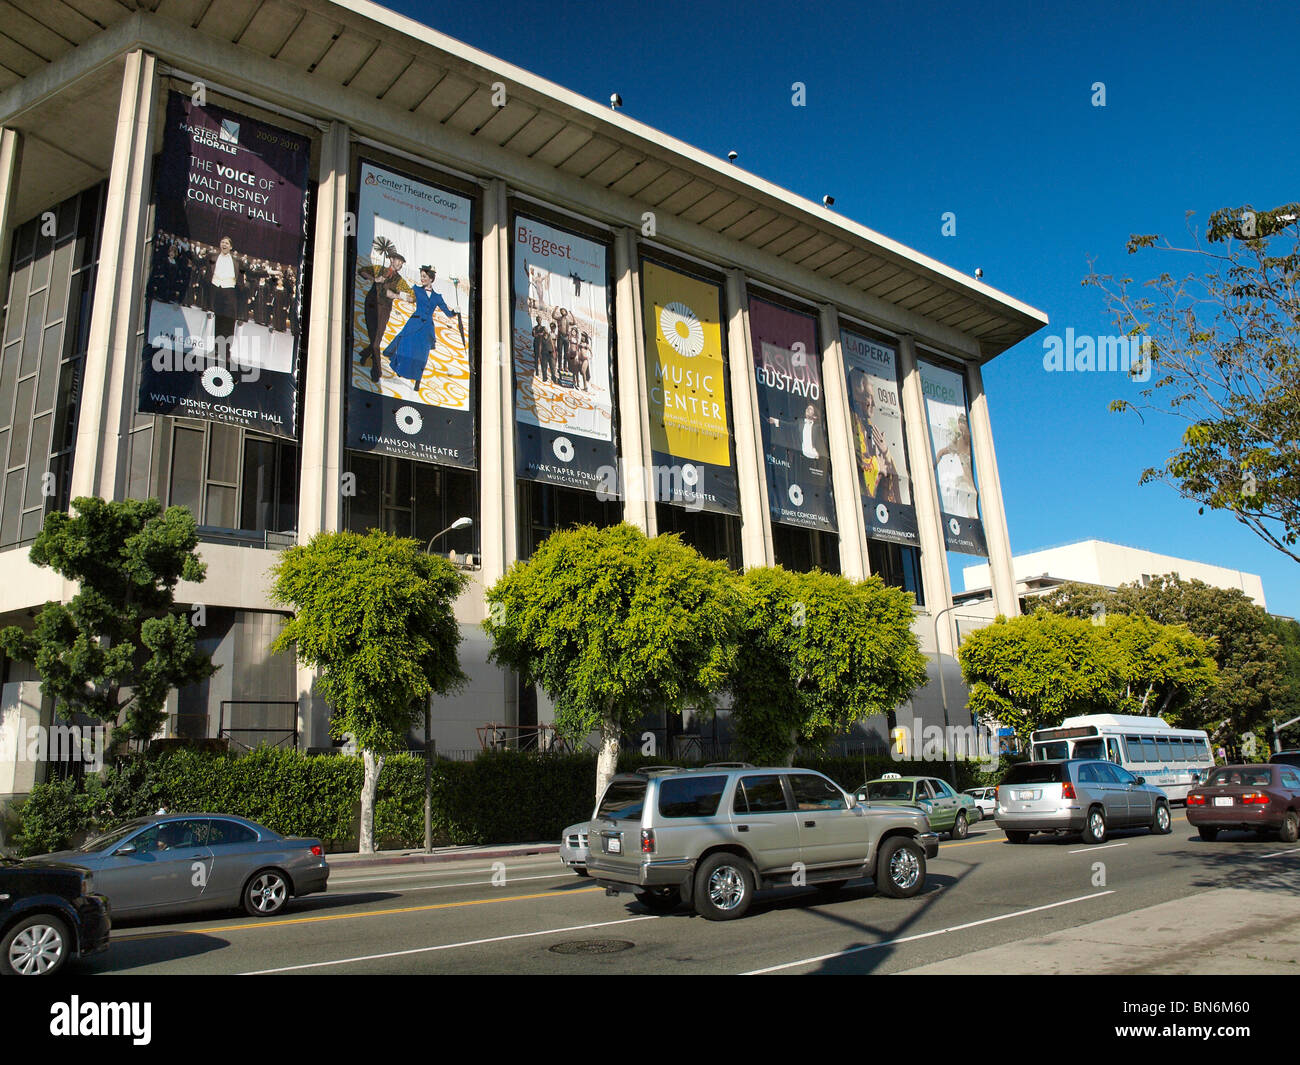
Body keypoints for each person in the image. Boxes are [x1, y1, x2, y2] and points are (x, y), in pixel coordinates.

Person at [384, 265, 459, 391]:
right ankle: (400, 369)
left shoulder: (437, 297)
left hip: (426, 329)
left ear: (431, 278)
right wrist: (402, 295)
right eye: (421, 276)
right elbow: (411, 299)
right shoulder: (416, 290)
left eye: (424, 276)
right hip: (414, 323)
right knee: (404, 345)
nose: (422, 279)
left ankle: (418, 380)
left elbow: (448, 313)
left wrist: (455, 312)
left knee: (422, 355)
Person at [357, 249, 411, 382]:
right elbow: (362, 271)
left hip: (384, 309)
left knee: (376, 341)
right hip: (371, 304)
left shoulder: (399, 280)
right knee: (372, 335)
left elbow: (411, 296)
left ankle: (377, 371)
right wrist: (375, 278)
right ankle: (366, 353)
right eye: (399, 261)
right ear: (391, 259)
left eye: (402, 263)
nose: (400, 264)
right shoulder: (379, 269)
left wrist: (396, 295)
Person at [206, 236, 247, 356]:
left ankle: (227, 352)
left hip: (231, 293)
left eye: (226, 243)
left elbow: (250, 272)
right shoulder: (212, 258)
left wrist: (268, 273)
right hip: (217, 291)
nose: (224, 244)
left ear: (231, 247)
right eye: (222, 242)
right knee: (218, 322)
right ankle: (216, 349)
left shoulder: (237, 262)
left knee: (229, 323)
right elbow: (201, 264)